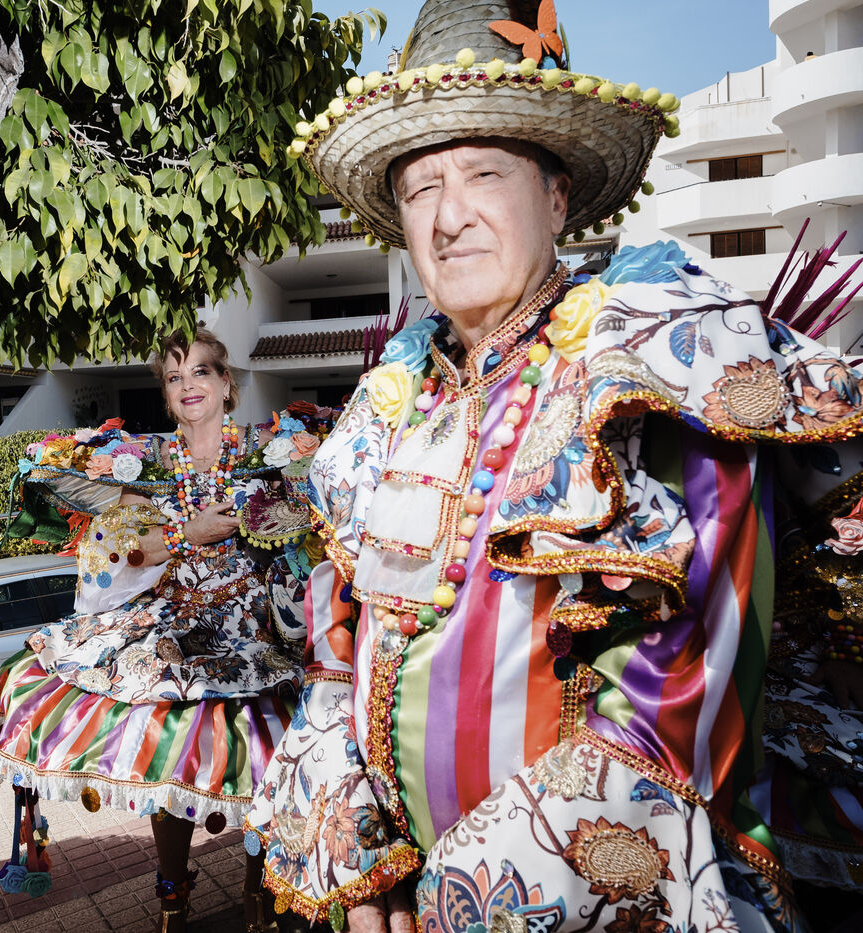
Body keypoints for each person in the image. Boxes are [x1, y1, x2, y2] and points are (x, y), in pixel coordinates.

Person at [245, 2, 863, 932]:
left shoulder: (655, 370)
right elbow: (335, 653)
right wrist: (361, 866)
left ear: (558, 196)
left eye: (484, 173)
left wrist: (460, 904)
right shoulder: (384, 406)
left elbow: (678, 703)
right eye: (420, 188)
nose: (449, 217)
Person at [0, 329, 319, 931]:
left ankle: (260, 902)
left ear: (227, 383)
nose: (188, 385)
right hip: (174, 631)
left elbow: (306, 533)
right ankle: (173, 901)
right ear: (166, 396)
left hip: (255, 632)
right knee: (170, 763)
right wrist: (187, 535)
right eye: (174, 377)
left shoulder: (271, 453)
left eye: (201, 372)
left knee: (267, 765)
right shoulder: (145, 463)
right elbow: (119, 555)